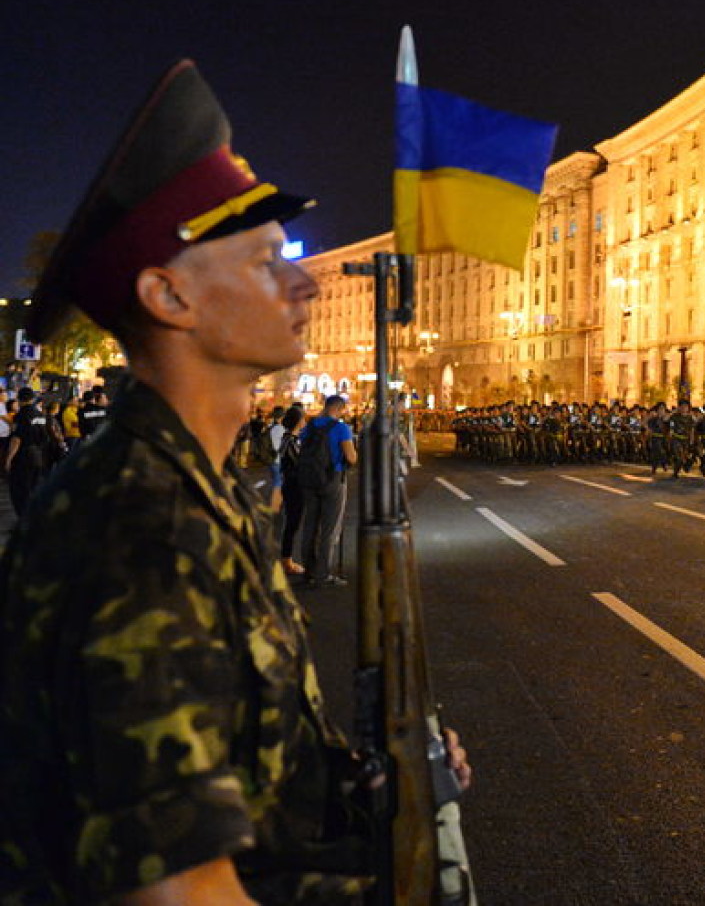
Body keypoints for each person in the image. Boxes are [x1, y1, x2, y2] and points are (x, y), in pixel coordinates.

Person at [0, 60, 468, 905]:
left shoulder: (202, 489)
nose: (304, 282)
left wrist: (367, 776)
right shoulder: (135, 527)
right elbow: (179, 889)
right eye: (262, 262)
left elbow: (240, 758)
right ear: (169, 295)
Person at [298, 394, 357, 588]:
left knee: (310, 526)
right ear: (339, 409)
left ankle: (309, 571)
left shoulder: (309, 427)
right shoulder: (341, 428)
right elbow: (351, 457)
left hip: (309, 480)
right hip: (332, 480)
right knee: (329, 528)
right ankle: (323, 574)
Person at [4, 387, 54, 516]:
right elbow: (46, 436)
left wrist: (9, 459)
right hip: (38, 455)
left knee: (20, 490)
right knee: (34, 487)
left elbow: (17, 439)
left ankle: (24, 519)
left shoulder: (20, 416)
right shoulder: (40, 414)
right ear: (32, 399)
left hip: (23, 457)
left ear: (19, 400)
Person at [278, 404, 308, 576]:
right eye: (303, 418)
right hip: (293, 486)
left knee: (292, 522)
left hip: (291, 485)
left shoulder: (289, 439)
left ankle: (287, 559)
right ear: (298, 421)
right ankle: (286, 561)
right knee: (292, 523)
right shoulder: (290, 440)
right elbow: (296, 463)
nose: (304, 421)